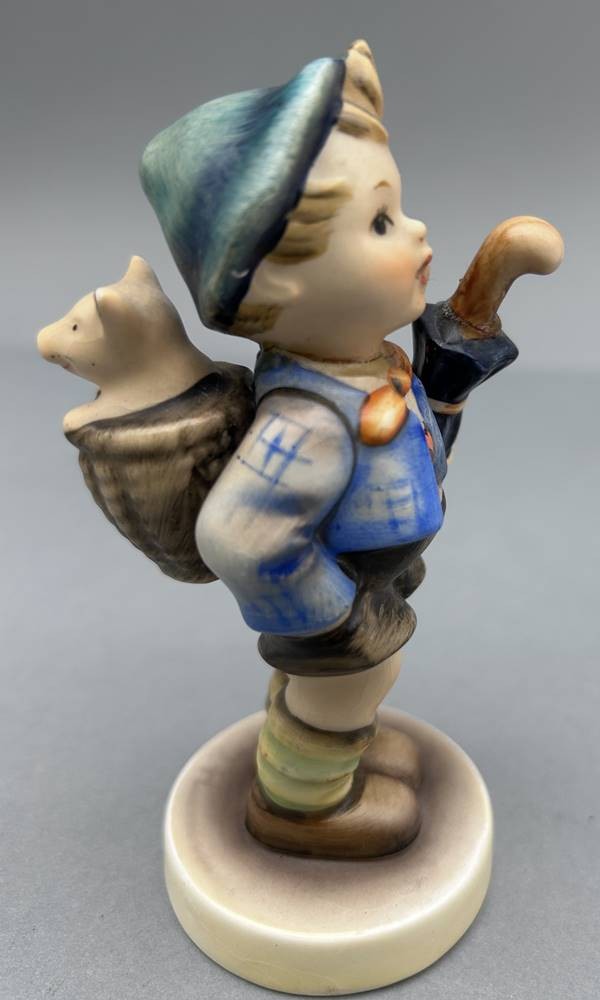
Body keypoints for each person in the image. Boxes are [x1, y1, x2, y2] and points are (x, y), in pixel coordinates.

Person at [140, 40, 522, 858]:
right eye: (381, 222)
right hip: (338, 601)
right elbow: (237, 535)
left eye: (400, 208)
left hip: (373, 572)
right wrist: (339, 617)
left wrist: (444, 395)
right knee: (351, 682)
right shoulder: (307, 421)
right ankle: (302, 804)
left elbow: (411, 445)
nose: (417, 229)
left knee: (348, 692)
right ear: (277, 285)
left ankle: (332, 749)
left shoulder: (364, 365)